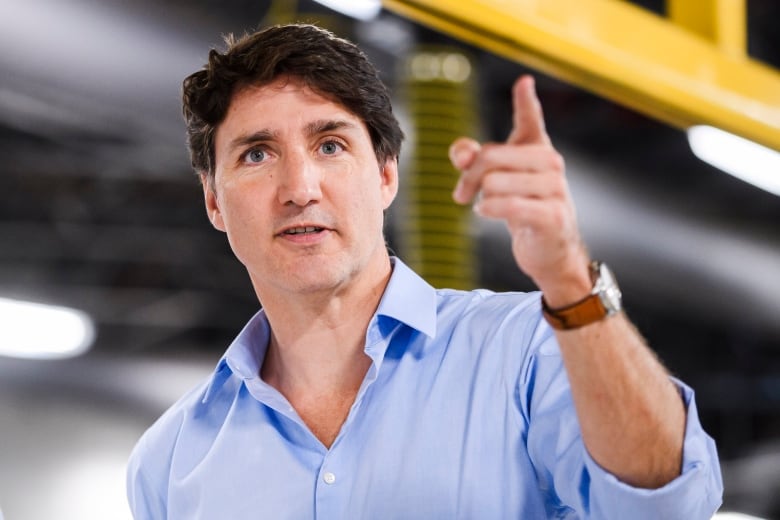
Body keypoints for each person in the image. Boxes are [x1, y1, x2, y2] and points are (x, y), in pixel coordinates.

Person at [126, 23, 723, 519]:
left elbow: (672, 504)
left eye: (330, 145)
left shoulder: (524, 352)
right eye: (257, 154)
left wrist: (569, 280)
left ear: (386, 176)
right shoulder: (170, 463)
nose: (299, 189)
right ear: (213, 201)